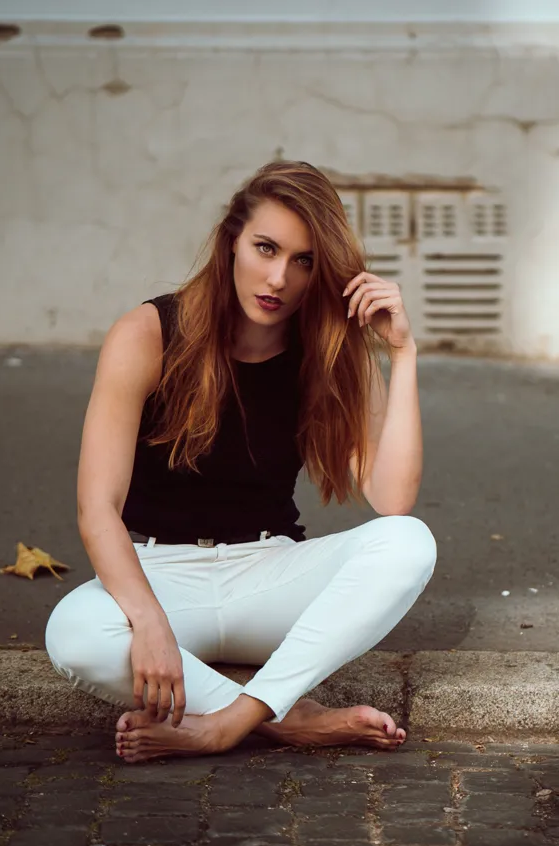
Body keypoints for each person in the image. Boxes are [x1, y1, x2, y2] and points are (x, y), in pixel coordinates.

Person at [44, 160, 437, 764]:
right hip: (161, 575)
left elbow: (393, 500)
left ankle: (232, 723)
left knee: (409, 542)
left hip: (267, 574)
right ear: (232, 241)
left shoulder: (327, 349)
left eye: (303, 260)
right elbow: (97, 508)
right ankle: (290, 720)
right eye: (265, 248)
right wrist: (148, 622)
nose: (278, 277)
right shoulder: (147, 333)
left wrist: (401, 353)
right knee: (73, 633)